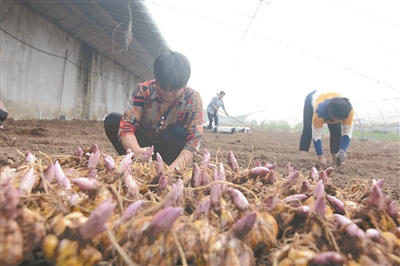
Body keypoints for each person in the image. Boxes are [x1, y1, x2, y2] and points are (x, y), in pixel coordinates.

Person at [104, 50, 203, 170]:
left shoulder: (193, 99)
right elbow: (127, 125)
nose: (168, 93)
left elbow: (194, 140)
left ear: (184, 84)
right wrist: (137, 151)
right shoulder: (144, 91)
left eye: (174, 89)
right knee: (112, 121)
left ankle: (169, 166)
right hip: (144, 143)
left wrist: (172, 170)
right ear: (157, 79)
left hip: (169, 148)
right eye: (163, 87)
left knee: (178, 133)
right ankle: (134, 162)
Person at [299, 90, 354, 166]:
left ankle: (336, 159)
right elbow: (316, 136)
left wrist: (342, 151)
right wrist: (320, 157)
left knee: (336, 131)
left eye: (339, 119)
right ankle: (302, 159)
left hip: (331, 99)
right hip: (312, 100)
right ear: (329, 112)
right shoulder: (319, 112)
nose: (336, 120)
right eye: (335, 118)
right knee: (308, 130)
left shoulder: (348, 111)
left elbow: (347, 133)